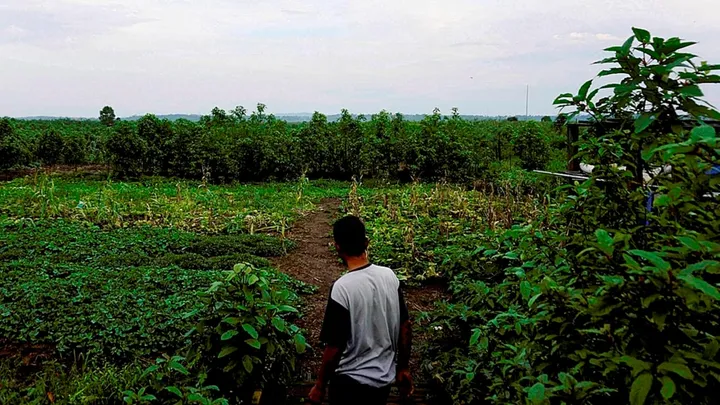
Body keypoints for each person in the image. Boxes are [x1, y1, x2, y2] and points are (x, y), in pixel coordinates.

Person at [308, 215, 414, 405]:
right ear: (366, 242)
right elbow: (405, 326)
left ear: (337, 246)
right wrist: (403, 368)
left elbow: (334, 347)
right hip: (383, 383)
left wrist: (320, 384)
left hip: (348, 384)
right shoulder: (389, 276)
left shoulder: (343, 288)